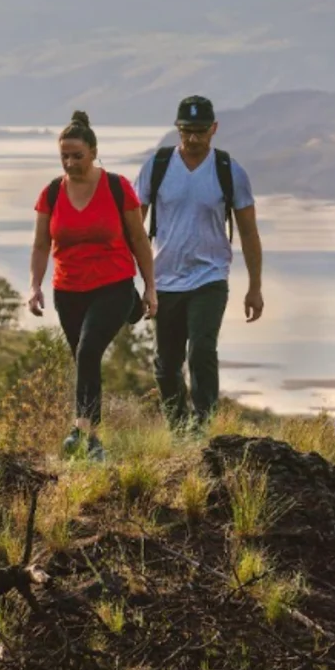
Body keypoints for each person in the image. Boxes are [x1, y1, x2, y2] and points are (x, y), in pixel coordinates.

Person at [27, 110, 157, 462]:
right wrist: (35, 286)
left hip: (113, 282)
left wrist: (150, 287)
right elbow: (41, 244)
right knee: (86, 359)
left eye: (77, 156)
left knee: (86, 352)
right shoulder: (52, 193)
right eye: (64, 156)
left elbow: (139, 239)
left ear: (94, 151)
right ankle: (95, 441)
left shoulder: (117, 187)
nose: (70, 163)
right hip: (68, 290)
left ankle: (80, 429)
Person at [133, 94, 262, 432]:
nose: (193, 138)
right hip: (164, 279)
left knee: (202, 350)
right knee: (166, 365)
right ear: (177, 129)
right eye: (186, 131)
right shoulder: (157, 166)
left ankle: (203, 426)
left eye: (200, 131)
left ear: (214, 129)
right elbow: (133, 223)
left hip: (210, 277)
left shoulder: (228, 171)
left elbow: (249, 233)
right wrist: (130, 278)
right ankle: (178, 430)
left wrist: (255, 288)